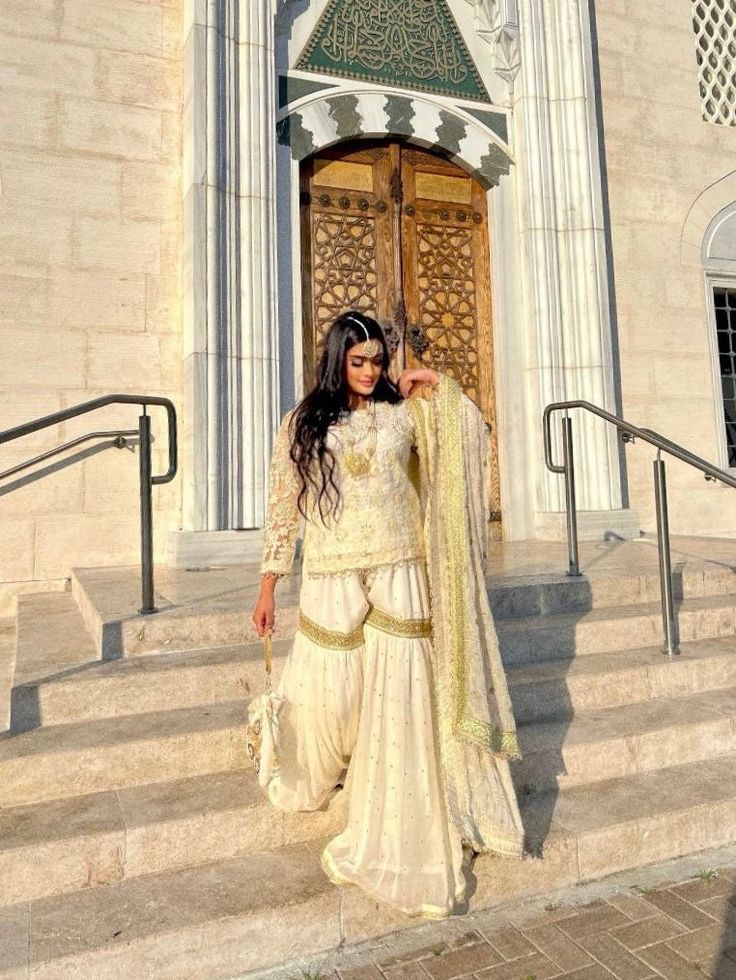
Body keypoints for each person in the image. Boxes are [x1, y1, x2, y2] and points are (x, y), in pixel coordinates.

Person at [251, 310, 524, 918]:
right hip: (330, 569)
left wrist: (435, 382)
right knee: (337, 689)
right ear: (336, 360)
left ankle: (394, 804)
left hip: (402, 561)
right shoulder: (301, 423)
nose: (371, 371)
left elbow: (471, 434)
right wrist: (269, 584)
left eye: (378, 359)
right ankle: (324, 771)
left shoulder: (405, 415)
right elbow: (282, 506)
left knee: (400, 687)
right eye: (359, 361)